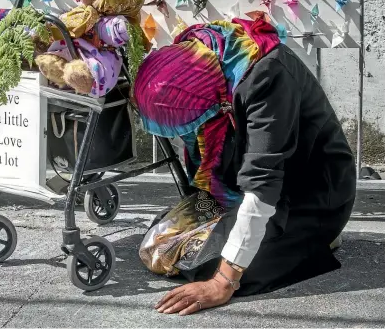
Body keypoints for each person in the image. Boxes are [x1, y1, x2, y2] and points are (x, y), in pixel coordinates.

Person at [133, 18, 356, 315]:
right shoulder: (203, 51)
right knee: (156, 244)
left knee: (205, 264)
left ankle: (317, 236)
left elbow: (262, 183)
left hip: (308, 192)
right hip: (257, 183)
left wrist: (223, 282)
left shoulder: (268, 76)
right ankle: (267, 238)